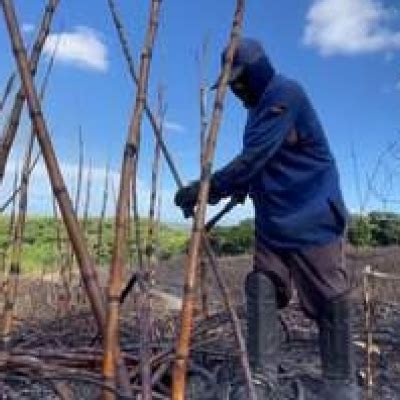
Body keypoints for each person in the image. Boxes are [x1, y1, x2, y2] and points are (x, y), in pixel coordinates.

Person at [174, 38, 360, 400]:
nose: (237, 90)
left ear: (260, 70)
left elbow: (254, 158)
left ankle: (341, 383)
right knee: (261, 285)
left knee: (330, 297)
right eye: (232, 84)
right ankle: (260, 378)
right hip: (273, 223)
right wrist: (244, 187)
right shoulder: (255, 110)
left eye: (240, 80)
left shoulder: (285, 94)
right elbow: (263, 163)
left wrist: (203, 189)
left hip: (312, 218)